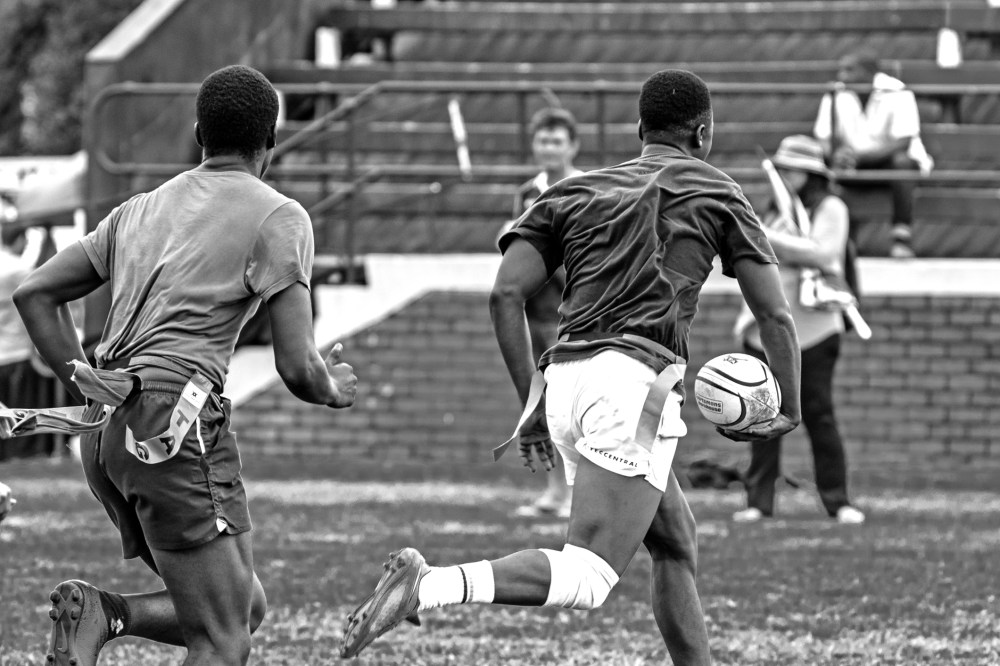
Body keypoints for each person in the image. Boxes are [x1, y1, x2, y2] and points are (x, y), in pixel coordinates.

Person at [339, 69, 802, 665]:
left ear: (639, 129)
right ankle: (428, 586)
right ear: (704, 133)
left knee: (675, 541)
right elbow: (775, 315)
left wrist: (530, 406)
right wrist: (785, 408)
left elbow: (505, 294)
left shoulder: (575, 190)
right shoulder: (716, 190)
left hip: (565, 382)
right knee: (589, 576)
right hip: (635, 387)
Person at [13, 64, 358, 666]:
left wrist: (78, 374)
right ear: (271, 142)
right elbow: (299, 367)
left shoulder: (139, 208)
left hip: (105, 432)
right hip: (174, 426)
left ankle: (106, 613)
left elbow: (35, 294)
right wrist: (335, 389)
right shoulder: (281, 215)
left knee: (241, 608)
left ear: (198, 131)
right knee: (223, 639)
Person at [732, 135, 865, 526]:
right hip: (765, 334)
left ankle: (837, 501)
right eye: (782, 168)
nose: (785, 175)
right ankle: (759, 501)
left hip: (816, 332)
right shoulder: (774, 213)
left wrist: (763, 235)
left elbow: (824, 253)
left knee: (819, 416)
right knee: (759, 418)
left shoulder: (831, 208)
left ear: (810, 173)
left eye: (792, 169)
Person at [504, 106, 583, 519]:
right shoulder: (526, 191)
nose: (549, 148)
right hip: (531, 310)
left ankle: (576, 494)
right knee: (543, 404)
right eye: (543, 140)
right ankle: (555, 491)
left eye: (557, 140)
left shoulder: (585, 187)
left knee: (573, 407)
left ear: (573, 145)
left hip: (569, 312)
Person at [813, 49, 934, 259]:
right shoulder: (836, 93)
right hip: (853, 164)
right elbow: (823, 137)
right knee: (818, 164)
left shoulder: (896, 91)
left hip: (891, 165)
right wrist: (834, 155)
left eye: (850, 70)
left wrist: (860, 158)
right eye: (841, 70)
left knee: (902, 163)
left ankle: (901, 237)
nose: (842, 76)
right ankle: (836, 241)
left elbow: (903, 142)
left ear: (870, 74)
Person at [0, 215, 59, 460]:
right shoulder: (17, 270)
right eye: (25, 239)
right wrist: (49, 236)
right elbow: (49, 277)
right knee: (17, 414)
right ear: (17, 239)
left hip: (2, 352)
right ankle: (21, 454)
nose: (26, 245)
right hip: (16, 353)